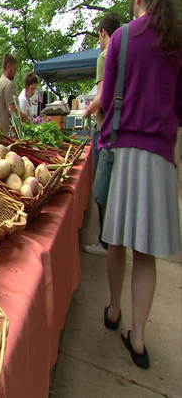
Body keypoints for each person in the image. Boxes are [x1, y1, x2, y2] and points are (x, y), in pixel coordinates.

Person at [100, 0, 182, 369]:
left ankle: (114, 310)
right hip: (162, 158)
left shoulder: (122, 38)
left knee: (117, 242)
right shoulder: (177, 43)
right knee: (145, 252)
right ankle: (139, 337)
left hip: (126, 153)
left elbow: (107, 99)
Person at [83, 13, 121, 255]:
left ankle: (105, 241)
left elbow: (101, 97)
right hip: (123, 133)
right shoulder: (126, 56)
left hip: (106, 131)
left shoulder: (105, 56)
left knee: (101, 189)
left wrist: (85, 113)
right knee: (114, 188)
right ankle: (113, 238)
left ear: (103, 33)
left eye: (98, 36)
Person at [0, 54, 18, 134]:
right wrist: (23, 116)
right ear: (8, 66)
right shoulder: (8, 84)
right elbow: (12, 108)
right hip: (6, 134)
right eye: (14, 68)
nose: (15, 72)